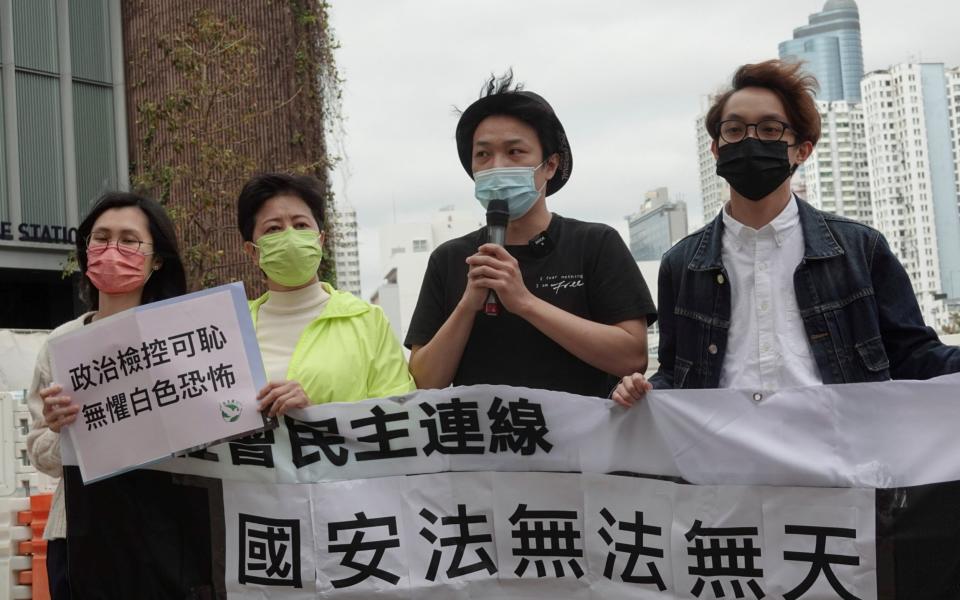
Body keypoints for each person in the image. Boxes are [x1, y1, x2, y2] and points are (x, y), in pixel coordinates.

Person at [613, 59, 960, 407]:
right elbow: (676, 370)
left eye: (769, 130)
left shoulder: (861, 249)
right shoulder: (682, 263)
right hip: (722, 452)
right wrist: (644, 391)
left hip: (838, 451)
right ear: (716, 149)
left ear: (802, 150)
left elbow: (913, 356)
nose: (750, 139)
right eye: (734, 130)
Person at [405, 71, 657, 398]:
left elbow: (631, 356)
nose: (497, 166)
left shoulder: (594, 244)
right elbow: (424, 382)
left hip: (583, 445)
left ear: (550, 165)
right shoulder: (450, 258)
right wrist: (468, 303)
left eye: (515, 152)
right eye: (483, 155)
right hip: (484, 444)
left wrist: (524, 302)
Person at [26, 192, 187, 600]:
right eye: (100, 238)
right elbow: (41, 454)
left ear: (157, 259)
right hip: (78, 533)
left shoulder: (181, 338)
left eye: (129, 240)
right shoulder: (62, 343)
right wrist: (62, 430)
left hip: (164, 529)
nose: (112, 250)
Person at [237, 173, 414, 415]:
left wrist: (316, 417)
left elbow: (401, 418)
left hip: (340, 456)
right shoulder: (233, 328)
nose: (290, 236)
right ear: (252, 251)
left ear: (320, 239)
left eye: (300, 225)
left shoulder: (367, 321)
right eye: (273, 229)